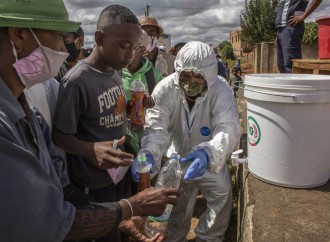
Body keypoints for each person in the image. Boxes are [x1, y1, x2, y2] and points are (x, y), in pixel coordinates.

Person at [0, 1, 179, 242]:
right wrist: (128, 206)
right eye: (59, 36)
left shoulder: (28, 110)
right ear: (19, 35)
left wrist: (130, 108)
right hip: (90, 185)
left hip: (115, 177)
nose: (62, 48)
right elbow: (50, 222)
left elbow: (59, 181)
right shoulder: (73, 83)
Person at [131, 41, 240, 242]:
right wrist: (149, 155)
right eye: (186, 76)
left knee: (221, 195)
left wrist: (209, 153)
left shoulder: (220, 90)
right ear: (178, 71)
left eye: (198, 76)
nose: (191, 81)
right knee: (176, 207)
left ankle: (208, 238)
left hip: (208, 158)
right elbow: (156, 128)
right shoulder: (165, 89)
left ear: (209, 75)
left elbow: (228, 127)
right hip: (176, 159)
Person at [122, 29, 162, 157]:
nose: (124, 51)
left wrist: (149, 107)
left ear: (141, 49)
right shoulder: (114, 73)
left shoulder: (153, 75)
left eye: (131, 47)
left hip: (147, 143)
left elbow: (161, 111)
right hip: (121, 142)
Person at [275, 0, 322, 73]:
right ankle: (285, 84)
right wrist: (278, 34)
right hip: (281, 29)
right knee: (281, 65)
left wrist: (303, 16)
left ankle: (294, 84)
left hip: (291, 27)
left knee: (290, 65)